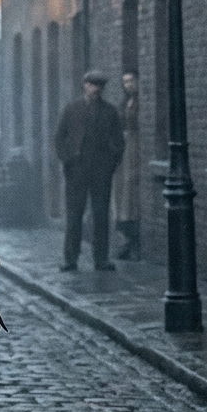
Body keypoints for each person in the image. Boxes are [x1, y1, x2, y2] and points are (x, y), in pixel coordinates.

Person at [54, 69, 124, 271]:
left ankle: (101, 259)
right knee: (74, 215)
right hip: (77, 171)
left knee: (101, 214)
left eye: (99, 86)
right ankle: (70, 259)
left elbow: (119, 141)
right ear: (85, 85)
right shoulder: (72, 109)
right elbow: (59, 138)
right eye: (92, 85)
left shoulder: (110, 112)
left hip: (101, 172)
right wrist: (68, 159)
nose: (95, 89)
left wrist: (111, 163)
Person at [113, 71, 142, 260]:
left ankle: (133, 240)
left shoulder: (140, 103)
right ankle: (125, 238)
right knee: (122, 192)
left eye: (131, 81)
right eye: (125, 82)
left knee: (132, 191)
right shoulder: (123, 104)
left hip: (136, 148)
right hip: (125, 150)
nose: (128, 85)